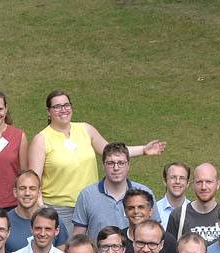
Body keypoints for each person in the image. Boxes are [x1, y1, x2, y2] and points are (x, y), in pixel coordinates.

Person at [29, 89, 165, 216]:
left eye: (66, 105)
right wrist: (39, 202)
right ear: (48, 111)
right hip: (60, 209)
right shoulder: (41, 139)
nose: (63, 110)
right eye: (57, 107)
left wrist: (143, 150)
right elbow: (34, 178)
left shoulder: (85, 129)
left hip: (92, 203)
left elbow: (111, 152)